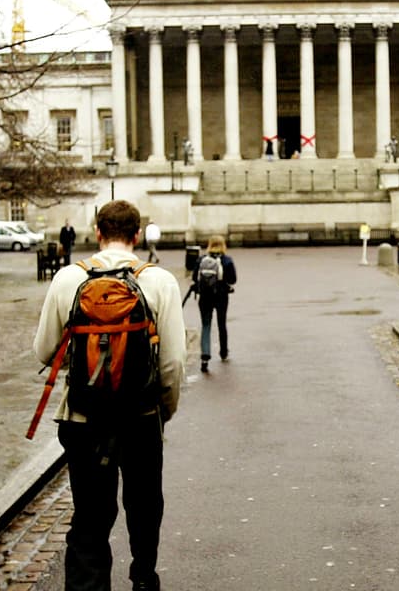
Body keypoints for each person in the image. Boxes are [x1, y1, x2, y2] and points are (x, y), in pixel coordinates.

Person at [32, 200, 184, 591]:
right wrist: (163, 411)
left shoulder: (68, 278)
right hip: (141, 414)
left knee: (90, 515)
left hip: (83, 418)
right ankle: (143, 575)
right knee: (144, 506)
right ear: (137, 235)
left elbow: (43, 350)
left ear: (97, 232)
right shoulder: (161, 281)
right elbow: (172, 365)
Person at [194, 235, 237, 373]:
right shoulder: (227, 260)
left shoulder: (201, 260)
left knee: (206, 325)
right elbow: (233, 279)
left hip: (205, 297)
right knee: (221, 324)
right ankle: (223, 351)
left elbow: (195, 277)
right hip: (221, 296)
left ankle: (205, 357)